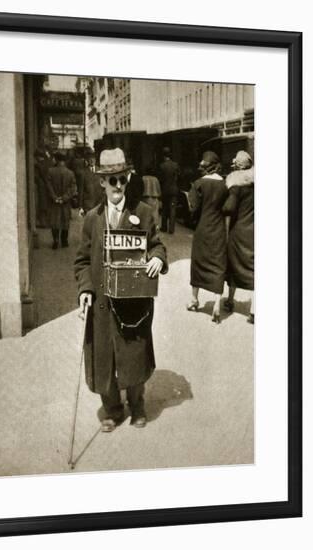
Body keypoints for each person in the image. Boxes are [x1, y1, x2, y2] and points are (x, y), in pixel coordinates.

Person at [74, 148, 168, 432]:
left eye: (122, 180)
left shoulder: (144, 212)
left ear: (128, 179)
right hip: (102, 303)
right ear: (102, 182)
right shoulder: (92, 218)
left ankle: (137, 405)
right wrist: (85, 289)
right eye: (111, 180)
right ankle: (113, 410)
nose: (117, 186)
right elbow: (81, 261)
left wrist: (157, 258)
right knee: (104, 356)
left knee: (134, 354)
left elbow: (158, 245)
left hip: (133, 303)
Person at [187, 151, 228, 323]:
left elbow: (193, 209)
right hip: (218, 230)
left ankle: (194, 300)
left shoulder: (198, 184)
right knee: (218, 265)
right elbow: (228, 208)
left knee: (198, 262)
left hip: (203, 229)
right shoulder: (225, 185)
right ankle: (217, 305)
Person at [222, 151, 255, 324]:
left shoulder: (236, 184)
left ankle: (230, 300)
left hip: (239, 231)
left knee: (234, 265)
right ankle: (254, 309)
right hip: (255, 230)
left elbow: (229, 208)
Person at [46, 151, 77, 249]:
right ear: (64, 161)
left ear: (57, 160)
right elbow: (73, 188)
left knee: (54, 220)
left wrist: (55, 197)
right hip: (65, 202)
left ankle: (55, 240)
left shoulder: (50, 171)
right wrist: (64, 198)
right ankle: (64, 241)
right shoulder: (70, 173)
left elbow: (48, 186)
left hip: (53, 201)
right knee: (65, 220)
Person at [157, 147, 180, 234]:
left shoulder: (162, 166)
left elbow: (160, 179)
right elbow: (179, 176)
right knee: (173, 209)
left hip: (165, 190)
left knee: (165, 209)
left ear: (163, 156)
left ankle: (164, 227)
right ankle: (171, 229)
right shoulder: (176, 165)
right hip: (174, 190)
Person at [77, 151, 103, 215]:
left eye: (93, 159)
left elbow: (104, 187)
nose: (92, 160)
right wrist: (80, 206)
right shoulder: (82, 172)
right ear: (87, 160)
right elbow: (81, 190)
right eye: (90, 159)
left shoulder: (101, 171)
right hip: (88, 205)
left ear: (96, 160)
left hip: (99, 203)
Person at [34, 148, 50, 228]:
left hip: (42, 186)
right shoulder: (47, 163)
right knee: (44, 204)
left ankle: (43, 223)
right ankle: (45, 222)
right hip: (45, 186)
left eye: (36, 156)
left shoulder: (40, 165)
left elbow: (43, 176)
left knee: (42, 204)